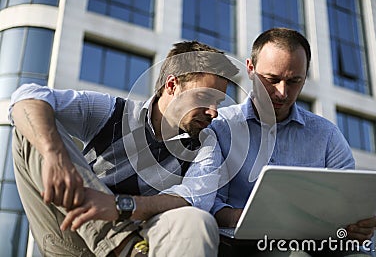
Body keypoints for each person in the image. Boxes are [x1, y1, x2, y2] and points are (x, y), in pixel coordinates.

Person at [9, 41, 239, 257]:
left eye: (218, 102)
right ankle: (122, 243)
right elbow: (27, 96)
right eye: (205, 98)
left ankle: (127, 244)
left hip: (145, 241)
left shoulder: (205, 143)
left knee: (196, 221)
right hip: (74, 235)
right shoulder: (112, 112)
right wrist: (54, 155)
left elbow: (193, 199)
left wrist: (121, 207)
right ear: (171, 85)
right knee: (33, 125)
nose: (214, 111)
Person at [208, 28, 376, 256]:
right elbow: (209, 203)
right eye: (272, 79)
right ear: (250, 69)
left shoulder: (327, 135)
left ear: (305, 76)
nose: (282, 92)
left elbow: (348, 202)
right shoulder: (220, 127)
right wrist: (264, 220)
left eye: (294, 81)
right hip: (244, 246)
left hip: (322, 245)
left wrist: (356, 224)